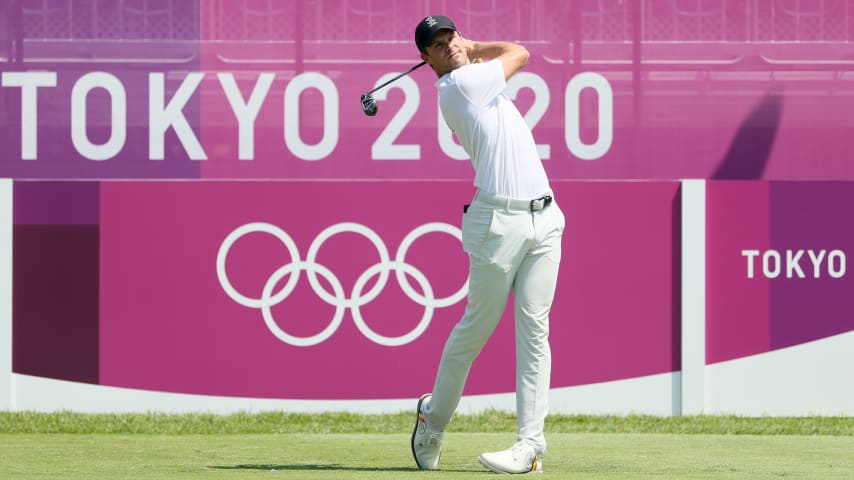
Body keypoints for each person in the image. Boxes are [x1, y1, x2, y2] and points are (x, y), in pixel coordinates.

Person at [410, 14, 565, 475]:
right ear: (426, 59)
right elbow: (519, 52)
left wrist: (467, 46)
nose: (449, 46)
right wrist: (474, 46)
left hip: (545, 218)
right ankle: (433, 418)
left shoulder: (477, 84)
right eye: (437, 45)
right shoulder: (458, 87)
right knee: (475, 331)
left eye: (450, 36)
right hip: (497, 223)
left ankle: (530, 447)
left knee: (535, 331)